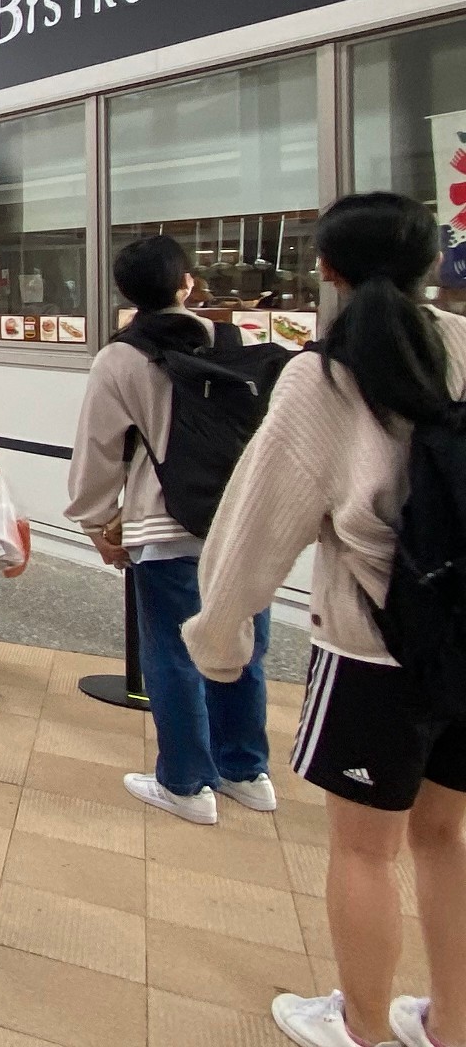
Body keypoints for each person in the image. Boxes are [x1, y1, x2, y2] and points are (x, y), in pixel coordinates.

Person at [186, 193, 466, 1047]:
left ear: (329, 272)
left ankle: (366, 1028)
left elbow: (254, 528)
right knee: (448, 836)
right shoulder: (464, 345)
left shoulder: (323, 375)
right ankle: (452, 1024)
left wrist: (220, 638)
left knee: (365, 851)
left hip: (374, 648)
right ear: (431, 265)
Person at [67, 236, 273, 825]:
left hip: (165, 524)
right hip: (241, 524)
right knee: (240, 646)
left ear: (126, 293)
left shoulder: (121, 357)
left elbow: (99, 450)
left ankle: (186, 783)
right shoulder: (236, 342)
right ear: (187, 284)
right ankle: (247, 772)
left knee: (175, 654)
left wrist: (96, 521)